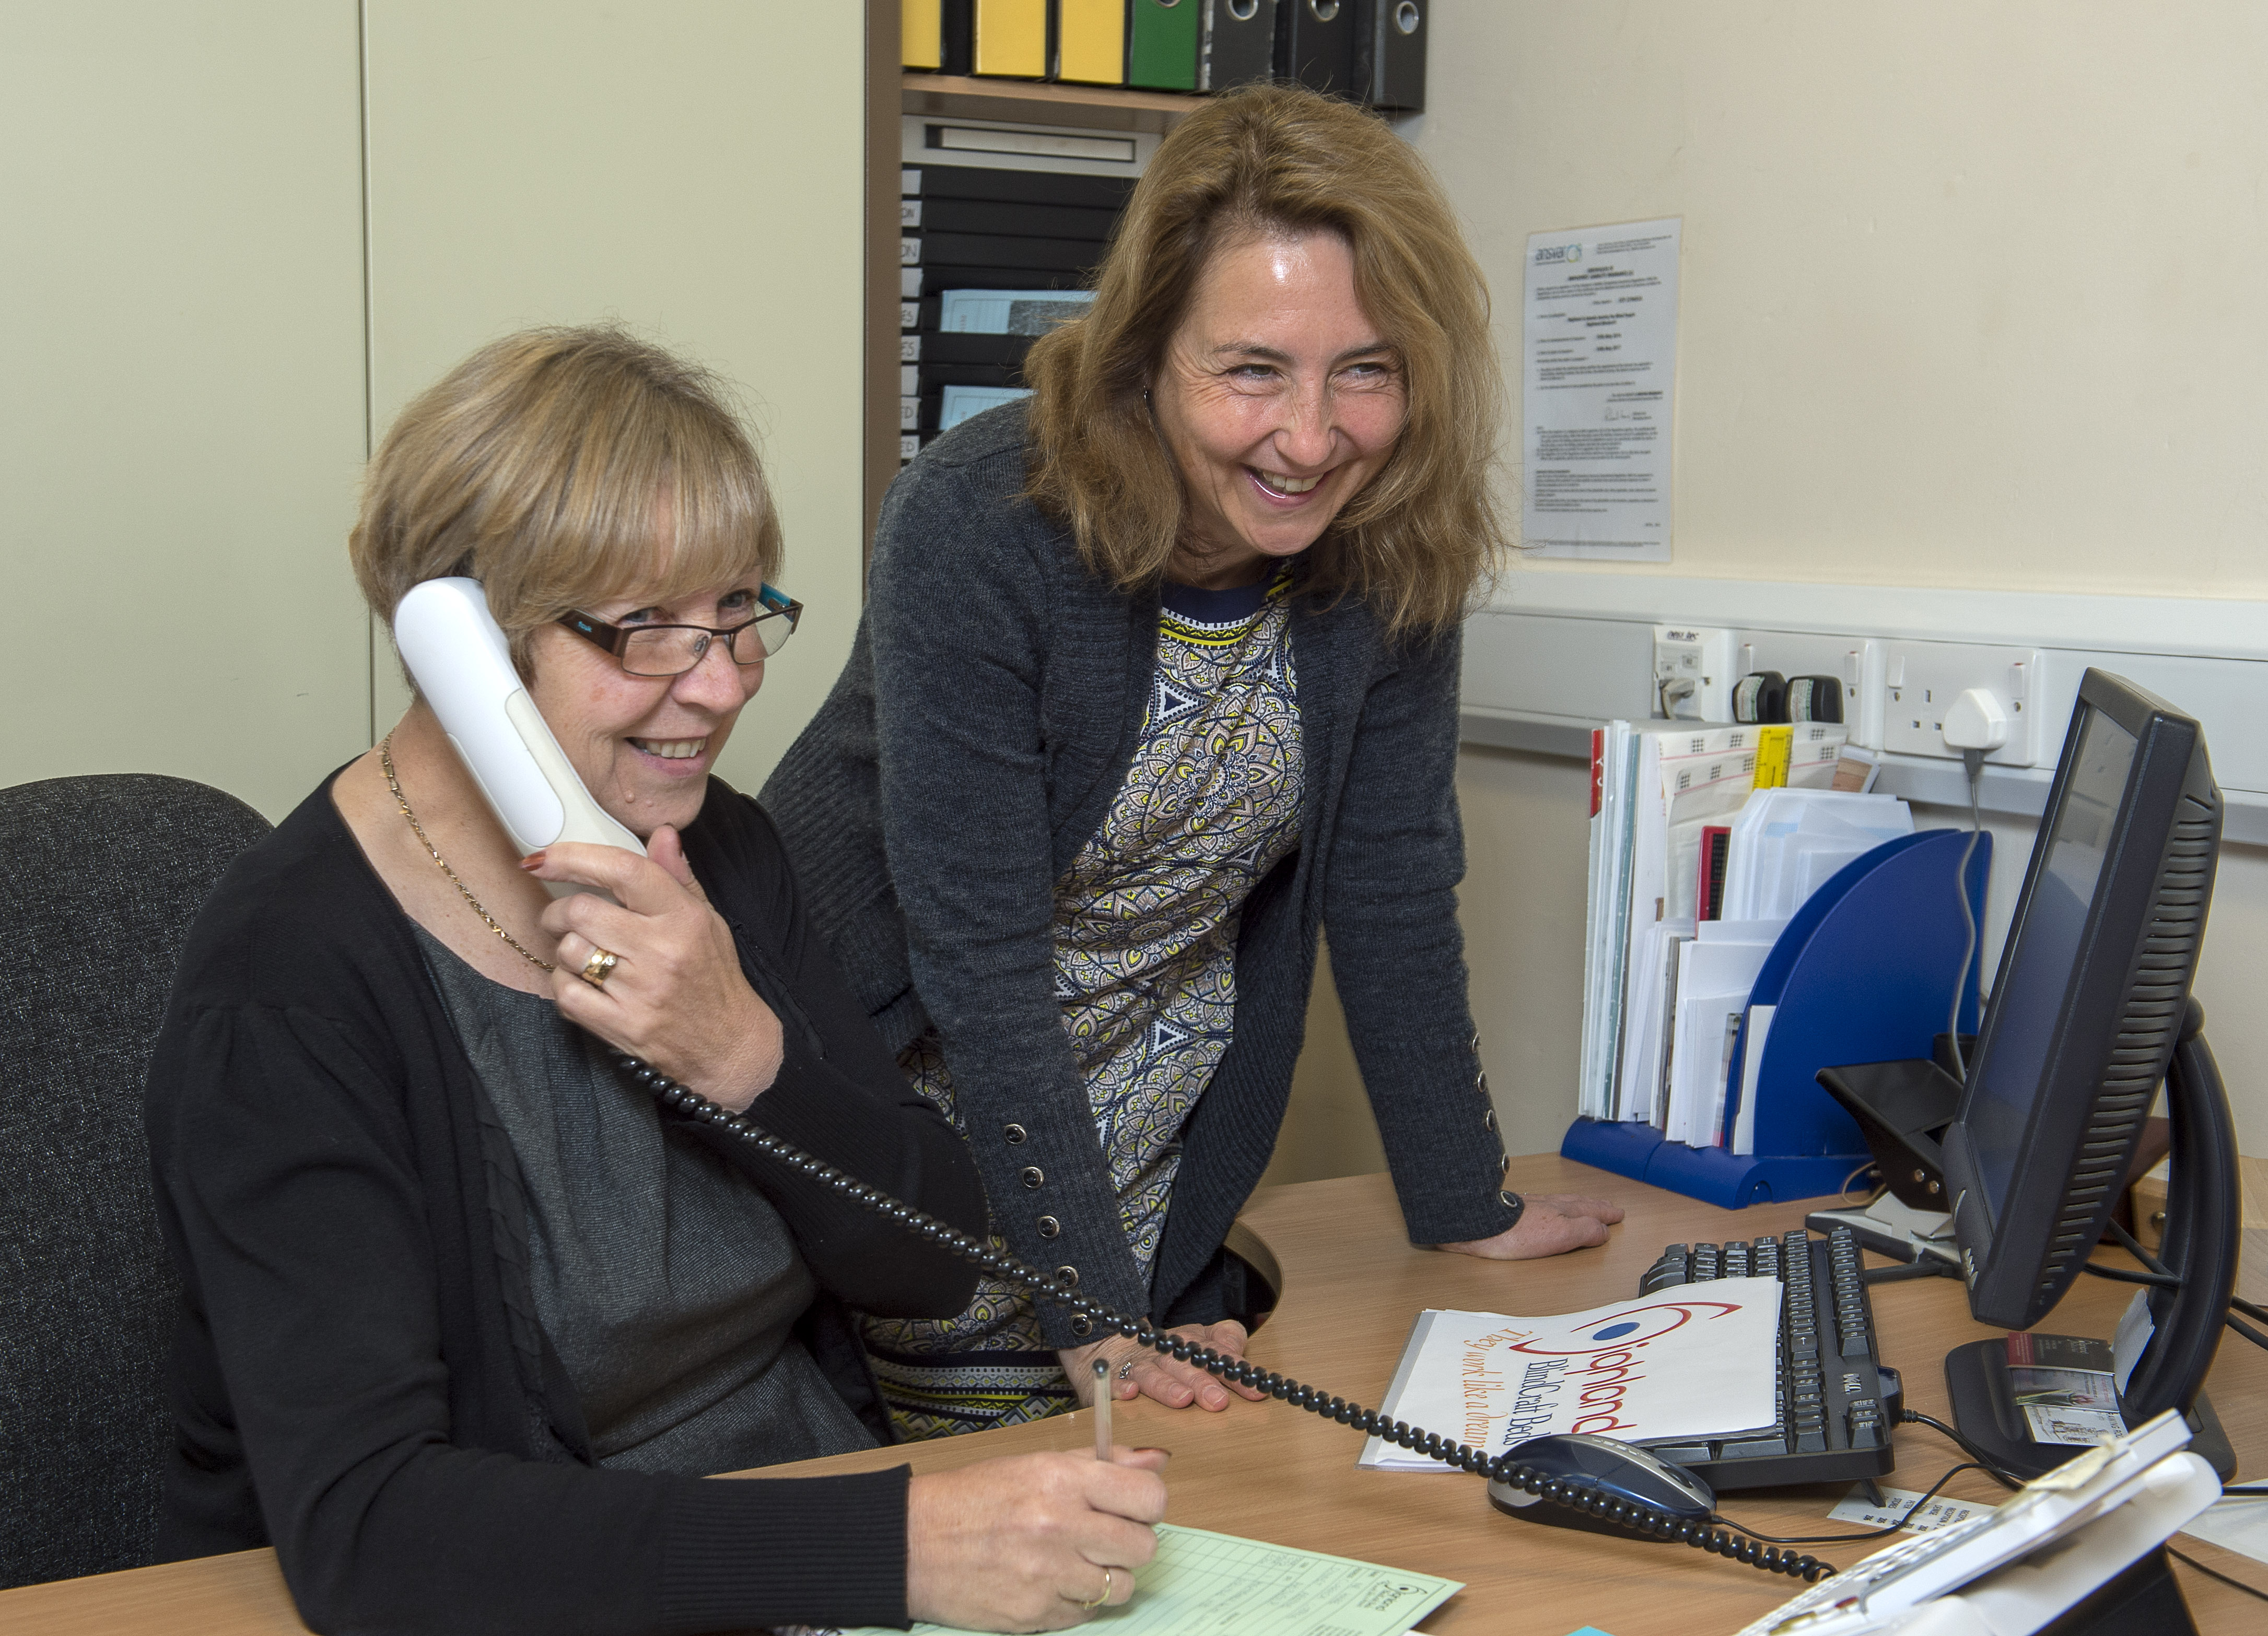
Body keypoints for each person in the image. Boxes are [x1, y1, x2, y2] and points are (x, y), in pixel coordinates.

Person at [143, 327, 1164, 1636]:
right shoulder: (286, 984)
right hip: (552, 1595)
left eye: (741, 611)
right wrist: (889, 1547)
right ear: (458, 637)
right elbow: (375, 1533)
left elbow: (928, 1260)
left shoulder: (716, 847)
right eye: (646, 631)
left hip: (803, 1542)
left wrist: (748, 1061)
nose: (725, 682)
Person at [763, 84, 1624, 1443]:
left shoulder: (1388, 539)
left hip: (1137, 1134)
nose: (1309, 435)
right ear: (1143, 352)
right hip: (904, 1111)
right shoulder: (982, 521)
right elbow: (978, 960)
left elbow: (1391, 883)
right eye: (1250, 370)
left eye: (1367, 369)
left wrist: (1466, 1200)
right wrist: (1093, 1312)